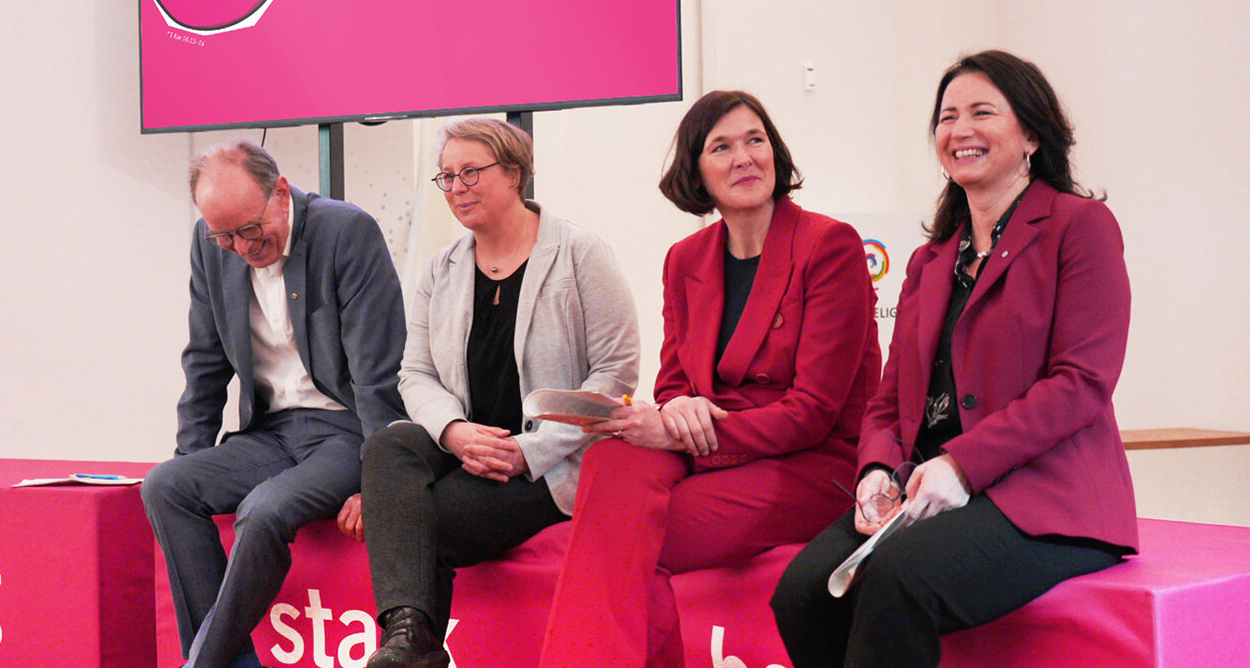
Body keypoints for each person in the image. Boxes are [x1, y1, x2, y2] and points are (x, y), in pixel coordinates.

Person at [770, 50, 1137, 668]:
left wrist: (961, 467)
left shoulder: (1081, 227)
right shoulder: (930, 259)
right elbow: (890, 400)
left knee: (898, 578)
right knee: (803, 592)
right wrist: (875, 474)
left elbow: (1081, 383)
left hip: (1045, 498)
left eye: (982, 112)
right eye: (947, 117)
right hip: (926, 490)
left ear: (1031, 135)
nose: (959, 130)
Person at [538, 91, 882, 668]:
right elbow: (674, 381)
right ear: (697, 172)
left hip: (813, 460)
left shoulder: (829, 245)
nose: (744, 157)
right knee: (610, 461)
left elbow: (814, 413)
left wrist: (680, 431)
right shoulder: (684, 258)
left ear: (776, 153)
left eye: (755, 140)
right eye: (721, 147)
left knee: (621, 541)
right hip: (712, 447)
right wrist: (675, 410)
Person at [348, 118, 639, 668]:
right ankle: (410, 642)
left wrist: (529, 450)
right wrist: (455, 435)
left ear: (514, 174)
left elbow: (615, 375)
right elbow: (414, 374)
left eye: (471, 172)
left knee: (422, 521)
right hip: (467, 445)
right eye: (447, 177)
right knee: (387, 447)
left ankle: (410, 647)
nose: (457, 188)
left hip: (555, 459)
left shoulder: (580, 254)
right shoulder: (443, 268)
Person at [141, 139, 407, 668]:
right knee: (166, 487)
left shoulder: (345, 232)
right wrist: (191, 456)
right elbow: (205, 361)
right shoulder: (207, 243)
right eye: (224, 236)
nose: (240, 247)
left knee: (264, 511)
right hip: (272, 431)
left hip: (345, 430)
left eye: (248, 230)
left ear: (280, 193)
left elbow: (379, 375)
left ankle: (202, 662)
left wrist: (383, 480)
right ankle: (227, 661)